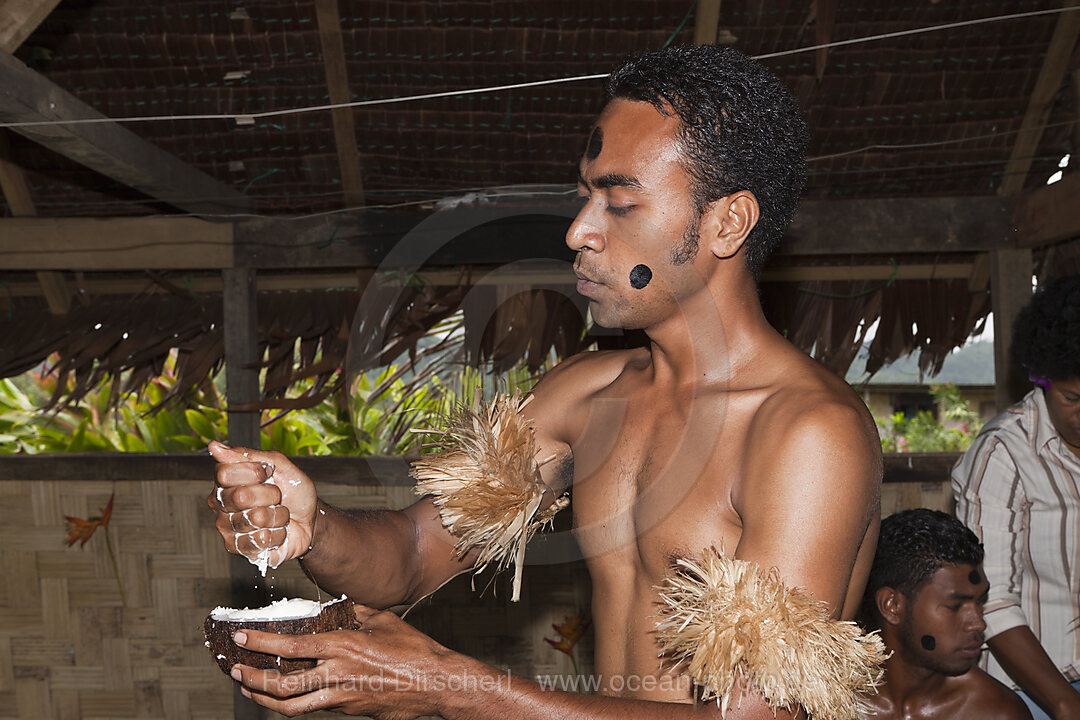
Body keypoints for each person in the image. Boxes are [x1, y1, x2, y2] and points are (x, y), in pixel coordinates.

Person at [207, 44, 883, 718]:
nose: (579, 231)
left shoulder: (808, 434)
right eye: (585, 196)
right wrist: (315, 526)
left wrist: (447, 684)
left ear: (726, 223)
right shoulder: (582, 397)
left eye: (619, 202)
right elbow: (413, 555)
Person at [952, 274, 1080, 720]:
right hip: (1033, 689)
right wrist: (1065, 703)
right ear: (1042, 378)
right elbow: (992, 598)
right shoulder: (1003, 452)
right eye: (1072, 398)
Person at [860, 508, 1032, 720]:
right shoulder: (828, 705)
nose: (979, 623)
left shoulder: (996, 712)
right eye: (954, 606)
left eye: (980, 601)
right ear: (892, 605)